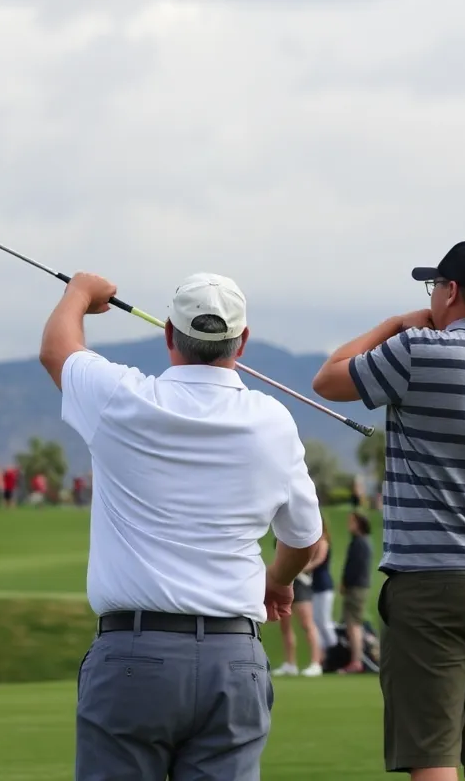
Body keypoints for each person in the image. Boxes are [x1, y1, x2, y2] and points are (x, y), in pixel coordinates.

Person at [39, 270, 323, 781]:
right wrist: (277, 580)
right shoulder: (273, 420)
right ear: (243, 341)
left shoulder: (120, 397)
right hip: (234, 658)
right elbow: (302, 539)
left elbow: (58, 351)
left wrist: (79, 293)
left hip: (133, 656)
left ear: (168, 332)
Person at [312, 239, 465, 781]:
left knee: (433, 754)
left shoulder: (417, 348)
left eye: (433, 287)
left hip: (433, 579)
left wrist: (395, 324)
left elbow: (328, 378)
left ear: (449, 291)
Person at [275, 527, 330, 677]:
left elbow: (315, 558)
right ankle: (290, 664)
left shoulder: (310, 537)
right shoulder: (282, 534)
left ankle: (316, 663)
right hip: (285, 581)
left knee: (307, 624)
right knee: (285, 625)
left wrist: (298, 568)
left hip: (301, 582)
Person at [339, 511, 374, 674]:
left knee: (354, 624)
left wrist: (346, 583)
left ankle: (356, 661)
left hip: (356, 588)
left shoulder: (360, 543)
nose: (348, 525)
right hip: (358, 587)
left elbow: (355, 567)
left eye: (352, 522)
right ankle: (356, 659)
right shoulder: (362, 542)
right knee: (353, 624)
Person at [309, 518, 338, 656]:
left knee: (324, 622)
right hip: (316, 586)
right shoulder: (316, 542)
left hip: (324, 586)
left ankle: (336, 651)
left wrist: (300, 569)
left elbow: (318, 561)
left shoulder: (323, 542)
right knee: (316, 621)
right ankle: (323, 654)